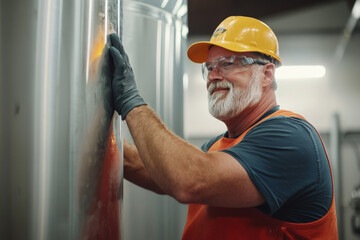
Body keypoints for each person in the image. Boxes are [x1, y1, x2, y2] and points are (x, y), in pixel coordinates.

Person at [106, 16, 338, 239]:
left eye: (227, 63)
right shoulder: (220, 145)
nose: (213, 76)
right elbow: (158, 169)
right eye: (209, 67)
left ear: (267, 74)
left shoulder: (291, 137)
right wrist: (104, 145)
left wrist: (132, 102)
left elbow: (187, 179)